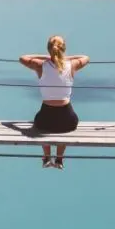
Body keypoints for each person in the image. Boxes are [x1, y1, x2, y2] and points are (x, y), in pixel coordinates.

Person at [18, 35, 90, 169]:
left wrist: (46, 57)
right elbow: (86, 58)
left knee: (42, 124)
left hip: (45, 119)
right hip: (68, 120)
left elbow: (22, 58)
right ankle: (59, 159)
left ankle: (46, 157)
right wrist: (65, 58)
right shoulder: (71, 65)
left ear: (49, 50)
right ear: (63, 49)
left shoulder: (41, 65)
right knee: (62, 130)